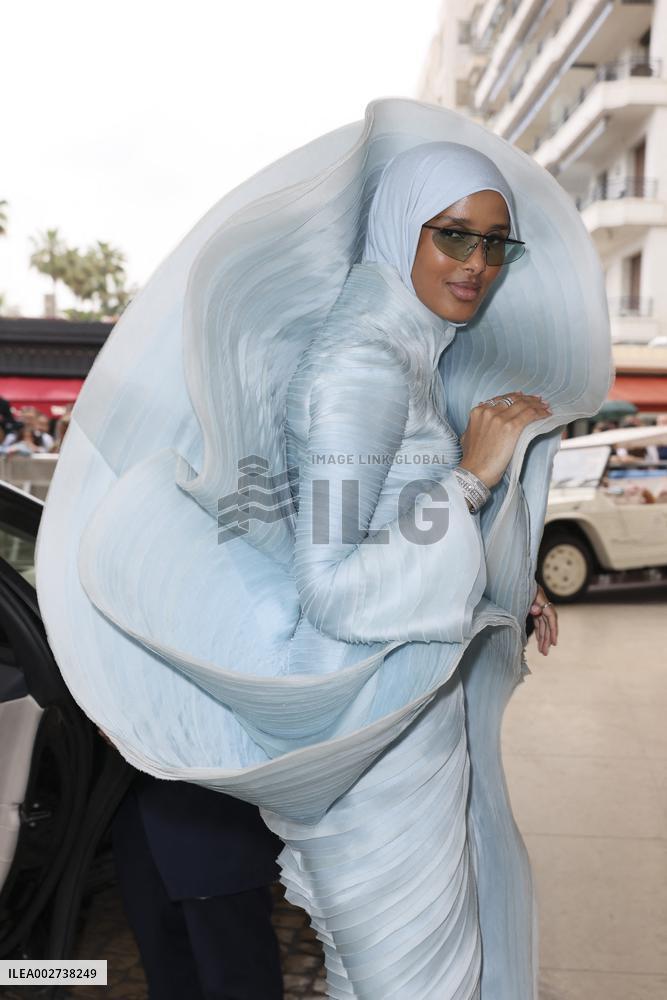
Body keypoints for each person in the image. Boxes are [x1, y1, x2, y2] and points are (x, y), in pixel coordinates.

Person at [34, 98, 613, 999]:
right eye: (451, 236)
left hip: (403, 727)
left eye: (495, 244)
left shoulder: (407, 349)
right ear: (396, 229)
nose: (475, 265)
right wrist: (468, 481)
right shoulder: (363, 362)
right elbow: (336, 590)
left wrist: (496, 578)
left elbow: (383, 528)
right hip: (369, 752)